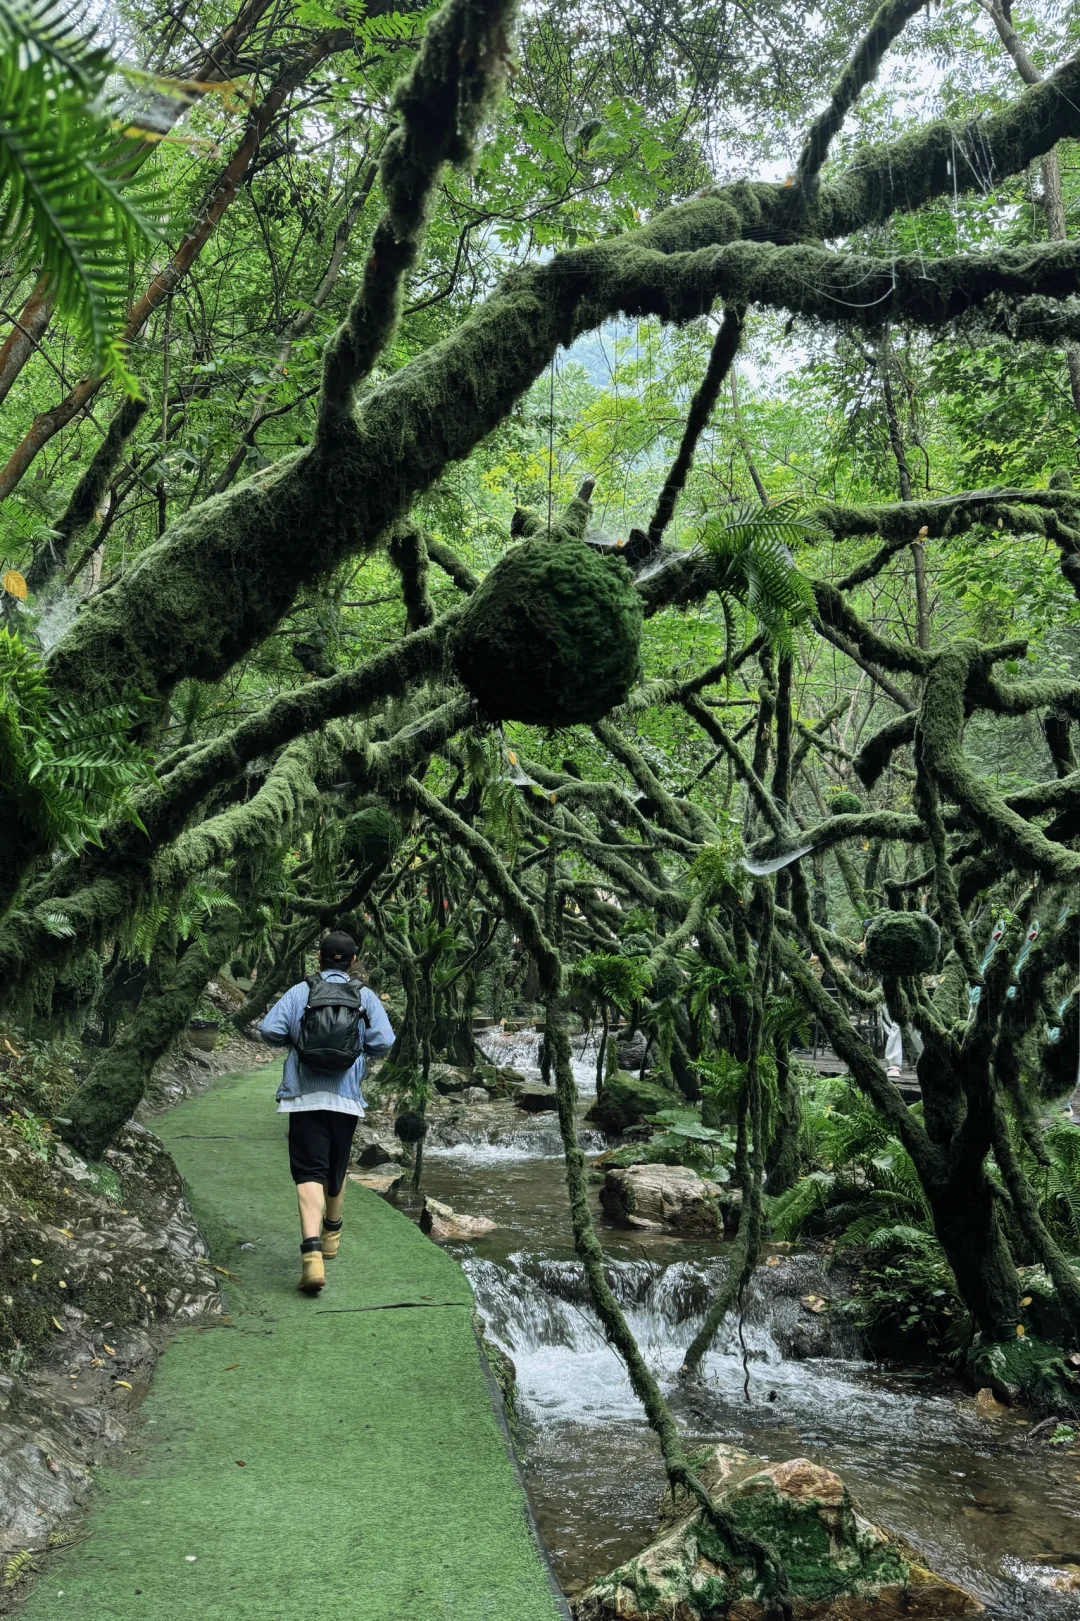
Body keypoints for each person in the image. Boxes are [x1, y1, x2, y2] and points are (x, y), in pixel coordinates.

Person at [260, 930, 395, 1293]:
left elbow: (269, 1029)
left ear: (318, 958)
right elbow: (384, 1041)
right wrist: (357, 1051)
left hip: (303, 1097)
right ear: (353, 962)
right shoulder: (365, 996)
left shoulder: (300, 991)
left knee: (308, 1172)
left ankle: (312, 1256)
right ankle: (332, 1232)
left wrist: (297, 1040)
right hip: (346, 1098)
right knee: (336, 1166)